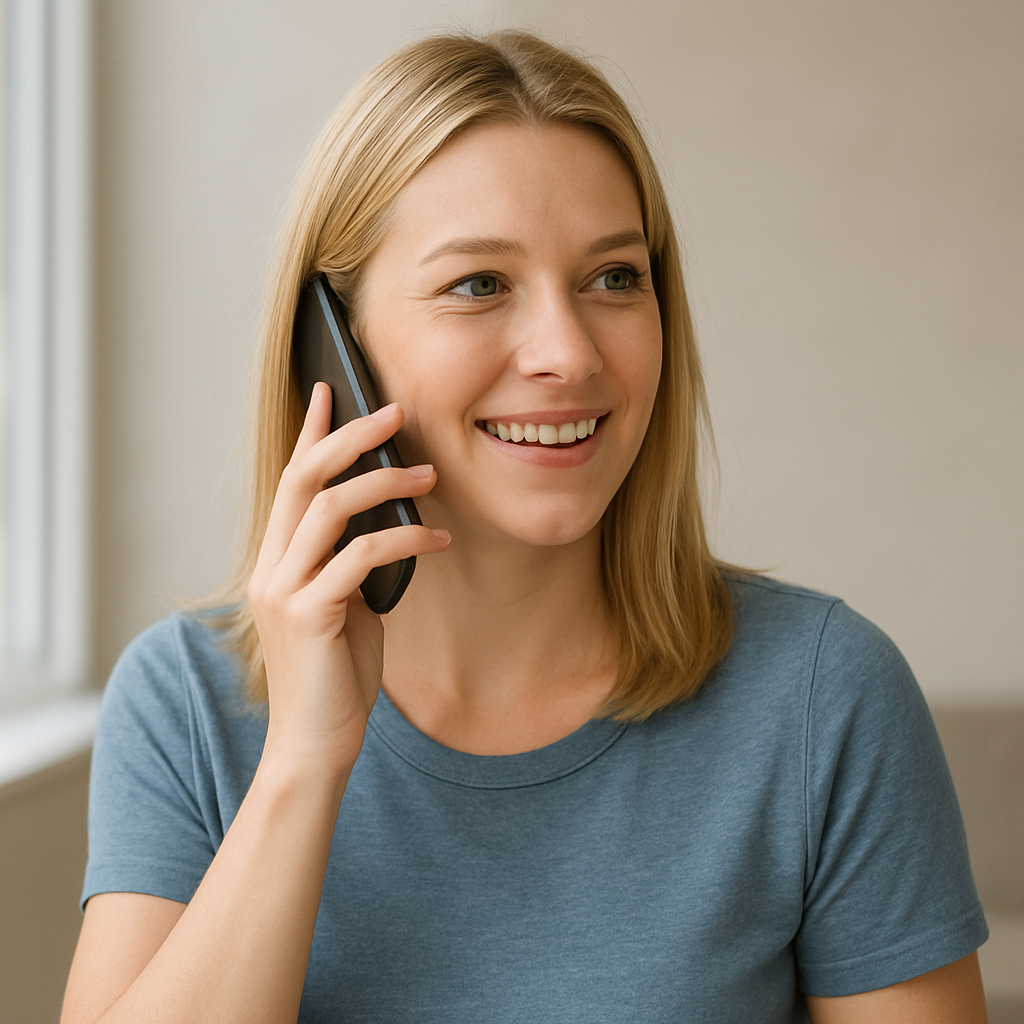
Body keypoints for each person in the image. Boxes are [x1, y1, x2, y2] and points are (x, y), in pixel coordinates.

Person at [62, 30, 989, 1024]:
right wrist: (302, 760)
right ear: (332, 350)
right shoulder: (185, 704)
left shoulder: (822, 700)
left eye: (613, 278)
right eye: (479, 284)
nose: (566, 351)